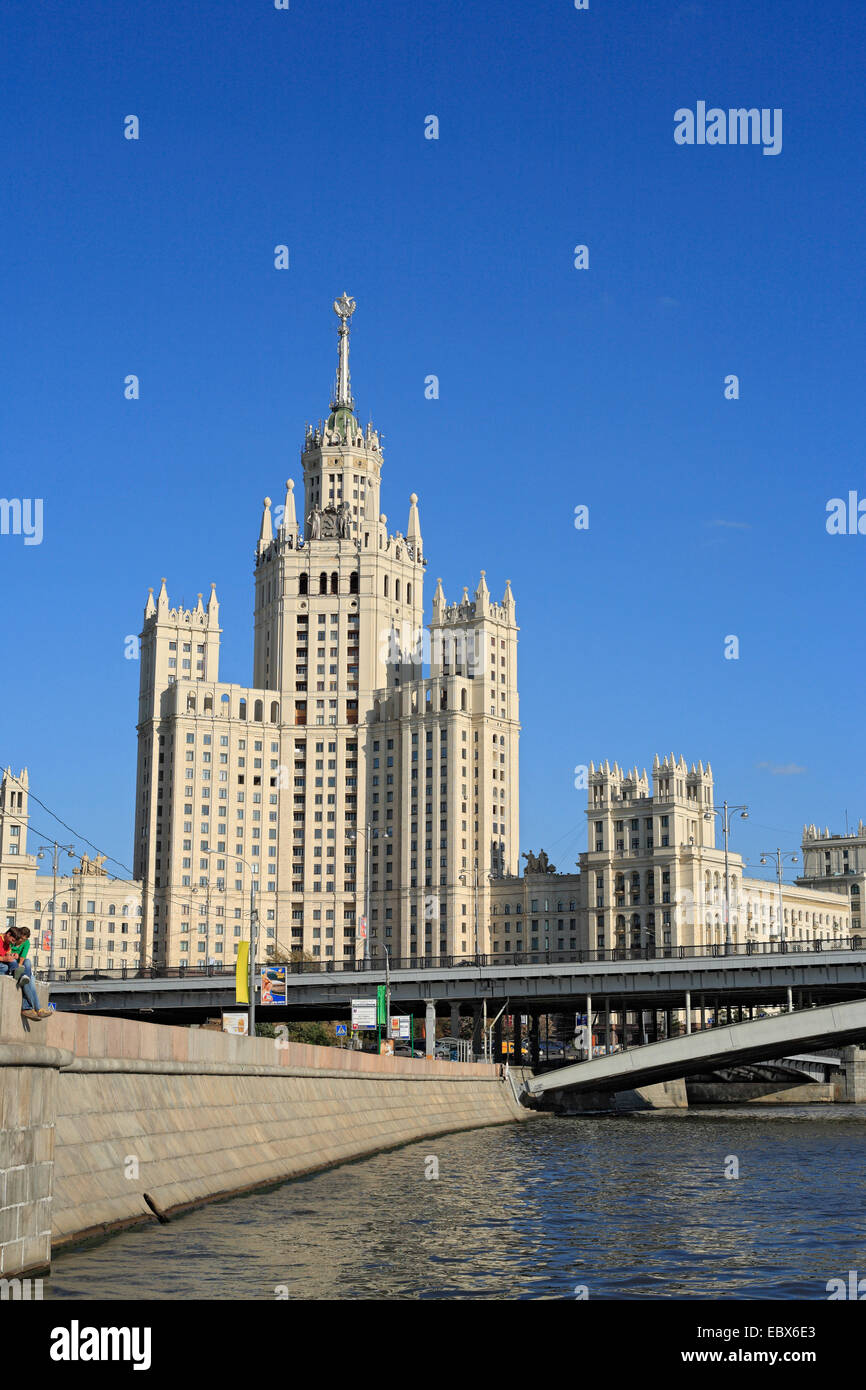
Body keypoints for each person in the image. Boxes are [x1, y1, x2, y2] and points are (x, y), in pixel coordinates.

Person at [5, 928, 50, 1020]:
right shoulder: (11, 940)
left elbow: (22, 957)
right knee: (30, 979)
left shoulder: (26, 943)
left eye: (24, 939)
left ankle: (30, 1009)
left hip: (20, 968)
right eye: (21, 938)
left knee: (28, 969)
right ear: (18, 936)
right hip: (11, 967)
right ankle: (35, 1008)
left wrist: (20, 969)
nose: (22, 941)